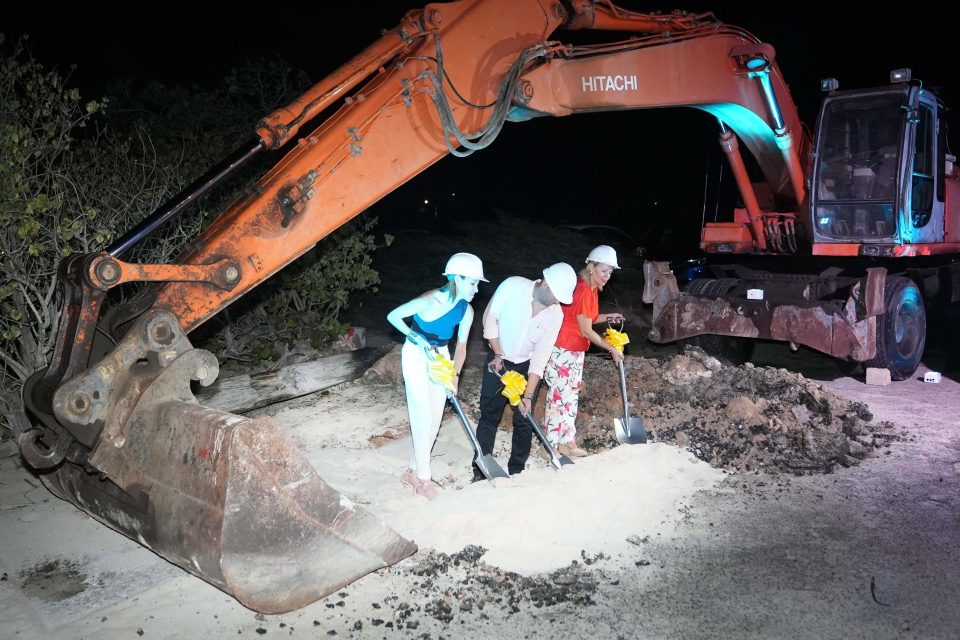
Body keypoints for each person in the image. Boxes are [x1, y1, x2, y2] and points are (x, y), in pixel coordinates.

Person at [387, 252, 487, 500]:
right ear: (456, 278)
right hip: (415, 353)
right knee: (421, 414)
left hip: (440, 355)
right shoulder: (430, 300)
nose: (476, 289)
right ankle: (423, 480)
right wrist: (415, 338)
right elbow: (393, 316)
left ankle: (412, 470)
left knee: (434, 418)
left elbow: (461, 348)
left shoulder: (467, 311)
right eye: (472, 283)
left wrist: (454, 376)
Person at [473, 263, 578, 480]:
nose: (558, 302)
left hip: (525, 365)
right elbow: (489, 319)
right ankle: (481, 471)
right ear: (546, 284)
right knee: (489, 415)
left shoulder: (555, 315)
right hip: (498, 357)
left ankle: (517, 470)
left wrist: (529, 396)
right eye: (556, 296)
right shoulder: (512, 286)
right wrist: (498, 353)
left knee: (524, 418)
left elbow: (541, 357)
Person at [543, 245, 625, 457]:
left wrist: (608, 317)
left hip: (576, 350)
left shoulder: (591, 288)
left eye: (610, 272)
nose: (607, 276)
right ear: (591, 267)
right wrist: (611, 349)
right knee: (558, 397)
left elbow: (587, 317)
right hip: (562, 349)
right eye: (603, 271)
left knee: (571, 396)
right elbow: (586, 330)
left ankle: (566, 441)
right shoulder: (582, 290)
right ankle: (549, 445)